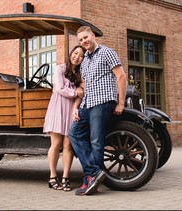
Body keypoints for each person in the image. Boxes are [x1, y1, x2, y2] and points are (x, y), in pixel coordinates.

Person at [69, 26, 127, 196]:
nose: (83, 42)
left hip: (103, 101)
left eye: (85, 37)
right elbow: (85, 87)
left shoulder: (107, 52)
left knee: (96, 141)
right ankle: (94, 172)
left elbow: (121, 76)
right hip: (88, 104)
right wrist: (77, 107)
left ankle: (90, 178)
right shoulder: (85, 59)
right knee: (74, 133)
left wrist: (121, 103)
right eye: (80, 40)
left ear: (93, 35)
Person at [43, 45, 85, 192]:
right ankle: (52, 177)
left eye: (81, 56)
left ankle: (66, 177)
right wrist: (76, 92)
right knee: (56, 144)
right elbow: (60, 88)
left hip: (71, 110)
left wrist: (77, 99)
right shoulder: (60, 69)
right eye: (75, 53)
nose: (77, 57)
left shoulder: (81, 74)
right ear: (71, 53)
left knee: (68, 144)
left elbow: (82, 93)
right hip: (57, 108)